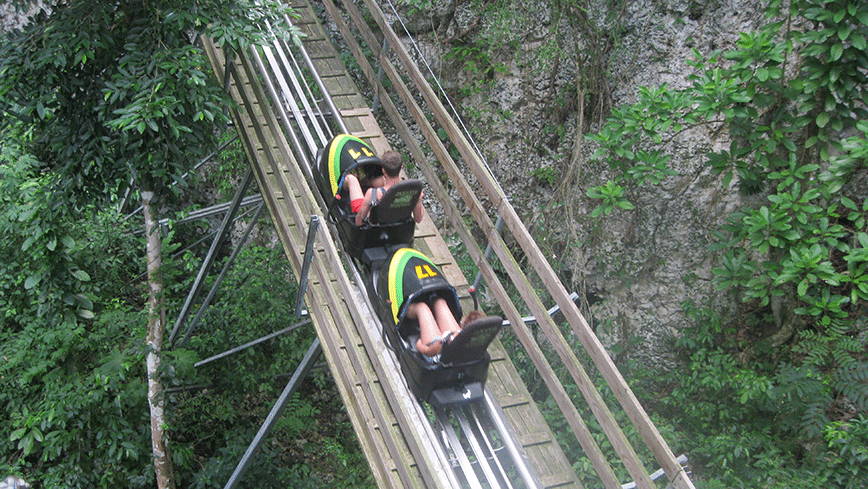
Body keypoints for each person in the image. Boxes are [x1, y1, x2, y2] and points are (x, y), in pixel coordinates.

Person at [343, 150, 424, 226]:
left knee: (350, 178)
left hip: (374, 223)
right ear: (401, 167)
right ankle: (365, 181)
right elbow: (418, 219)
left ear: (383, 170)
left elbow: (358, 222)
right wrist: (419, 199)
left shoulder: (373, 194)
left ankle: (359, 182)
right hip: (396, 224)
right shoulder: (413, 192)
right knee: (382, 179)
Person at [407, 299, 483, 358]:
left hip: (435, 353)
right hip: (450, 348)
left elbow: (427, 351)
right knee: (440, 302)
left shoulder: (447, 342)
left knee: (421, 307)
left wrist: (418, 343)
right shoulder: (476, 343)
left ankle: (402, 311)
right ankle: (433, 300)